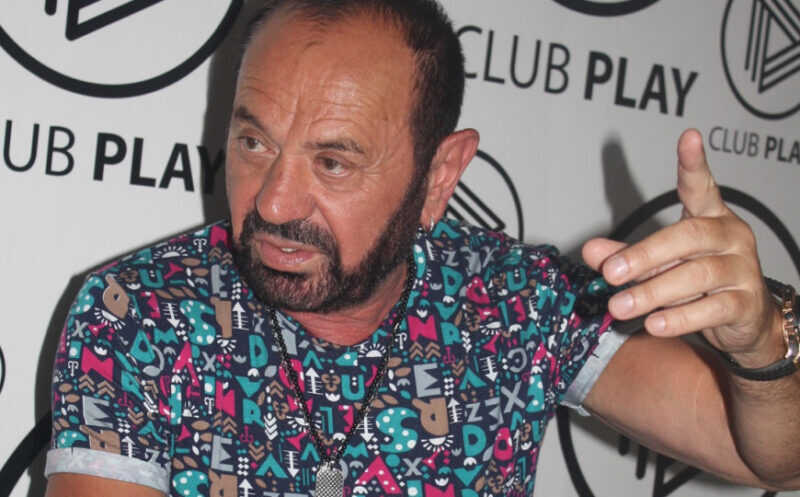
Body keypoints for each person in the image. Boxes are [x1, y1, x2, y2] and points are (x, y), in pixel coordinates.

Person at [44, 0, 800, 496]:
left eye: (332, 163)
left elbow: (765, 454)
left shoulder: (513, 303)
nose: (272, 202)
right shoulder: (138, 313)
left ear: (439, 176)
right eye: (253, 143)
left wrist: (761, 352)